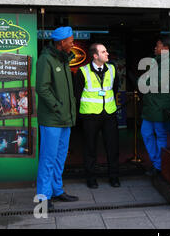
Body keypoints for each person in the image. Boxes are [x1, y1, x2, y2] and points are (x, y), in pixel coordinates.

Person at [35, 26, 79, 211]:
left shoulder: (64, 59)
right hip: (52, 119)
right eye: (70, 40)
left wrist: (66, 111)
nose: (72, 43)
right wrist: (58, 107)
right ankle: (43, 199)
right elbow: (42, 88)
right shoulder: (46, 59)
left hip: (64, 119)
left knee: (60, 157)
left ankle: (56, 190)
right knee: (48, 158)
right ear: (62, 43)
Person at [74, 43, 120, 189]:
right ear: (95, 56)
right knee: (90, 148)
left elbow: (115, 88)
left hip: (109, 114)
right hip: (90, 116)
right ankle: (91, 178)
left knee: (112, 147)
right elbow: (77, 94)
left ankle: (114, 177)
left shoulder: (112, 69)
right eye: (104, 51)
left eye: (106, 51)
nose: (107, 54)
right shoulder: (83, 71)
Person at [140, 35, 170, 176]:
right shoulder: (157, 62)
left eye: (158, 45)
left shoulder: (169, 63)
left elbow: (150, 83)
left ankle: (160, 166)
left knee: (161, 136)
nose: (155, 48)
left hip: (161, 107)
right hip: (151, 107)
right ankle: (158, 164)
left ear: (166, 48)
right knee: (147, 134)